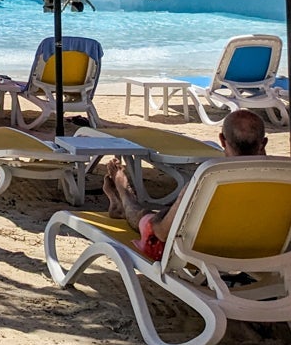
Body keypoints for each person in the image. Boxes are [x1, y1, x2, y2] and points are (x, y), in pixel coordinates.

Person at [102, 109, 267, 259]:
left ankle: (123, 192)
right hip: (263, 252)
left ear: (222, 140)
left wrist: (156, 219)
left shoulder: (207, 180)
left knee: (145, 218)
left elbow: (162, 234)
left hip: (197, 253)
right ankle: (125, 203)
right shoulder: (284, 179)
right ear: (263, 144)